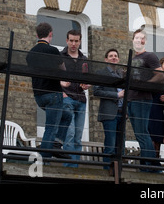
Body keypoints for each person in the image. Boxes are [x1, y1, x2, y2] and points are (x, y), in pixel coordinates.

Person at [26, 22, 72, 159]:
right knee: (51, 127)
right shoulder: (52, 51)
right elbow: (63, 69)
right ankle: (44, 159)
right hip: (53, 94)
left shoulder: (30, 53)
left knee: (67, 116)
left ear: (37, 35)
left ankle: (56, 145)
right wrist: (63, 81)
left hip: (39, 96)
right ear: (50, 34)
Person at [128, 28, 163, 171]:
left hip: (142, 99)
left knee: (142, 133)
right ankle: (152, 164)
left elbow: (160, 75)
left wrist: (147, 84)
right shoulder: (133, 58)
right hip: (131, 99)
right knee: (139, 134)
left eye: (142, 38)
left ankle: (151, 166)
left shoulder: (150, 56)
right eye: (136, 38)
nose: (139, 40)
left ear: (145, 41)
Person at [61, 29, 90, 167]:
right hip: (66, 98)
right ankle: (68, 168)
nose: (73, 43)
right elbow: (53, 77)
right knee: (69, 134)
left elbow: (88, 79)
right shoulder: (60, 57)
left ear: (80, 41)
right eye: (71, 40)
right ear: (67, 41)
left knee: (78, 137)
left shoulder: (84, 59)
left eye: (76, 41)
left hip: (81, 100)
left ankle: (75, 168)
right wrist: (62, 93)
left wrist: (88, 84)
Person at [94, 48, 125, 171]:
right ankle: (107, 170)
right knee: (110, 145)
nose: (114, 57)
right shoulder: (101, 73)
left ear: (118, 59)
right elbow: (96, 91)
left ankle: (119, 171)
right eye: (111, 56)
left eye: (116, 56)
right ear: (106, 59)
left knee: (121, 146)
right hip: (109, 113)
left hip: (121, 113)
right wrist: (116, 95)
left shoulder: (121, 74)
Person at [148, 57, 164, 158]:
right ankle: (149, 162)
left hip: (159, 113)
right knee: (150, 138)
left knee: (158, 139)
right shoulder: (154, 78)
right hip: (150, 111)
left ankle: (155, 162)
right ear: (160, 66)